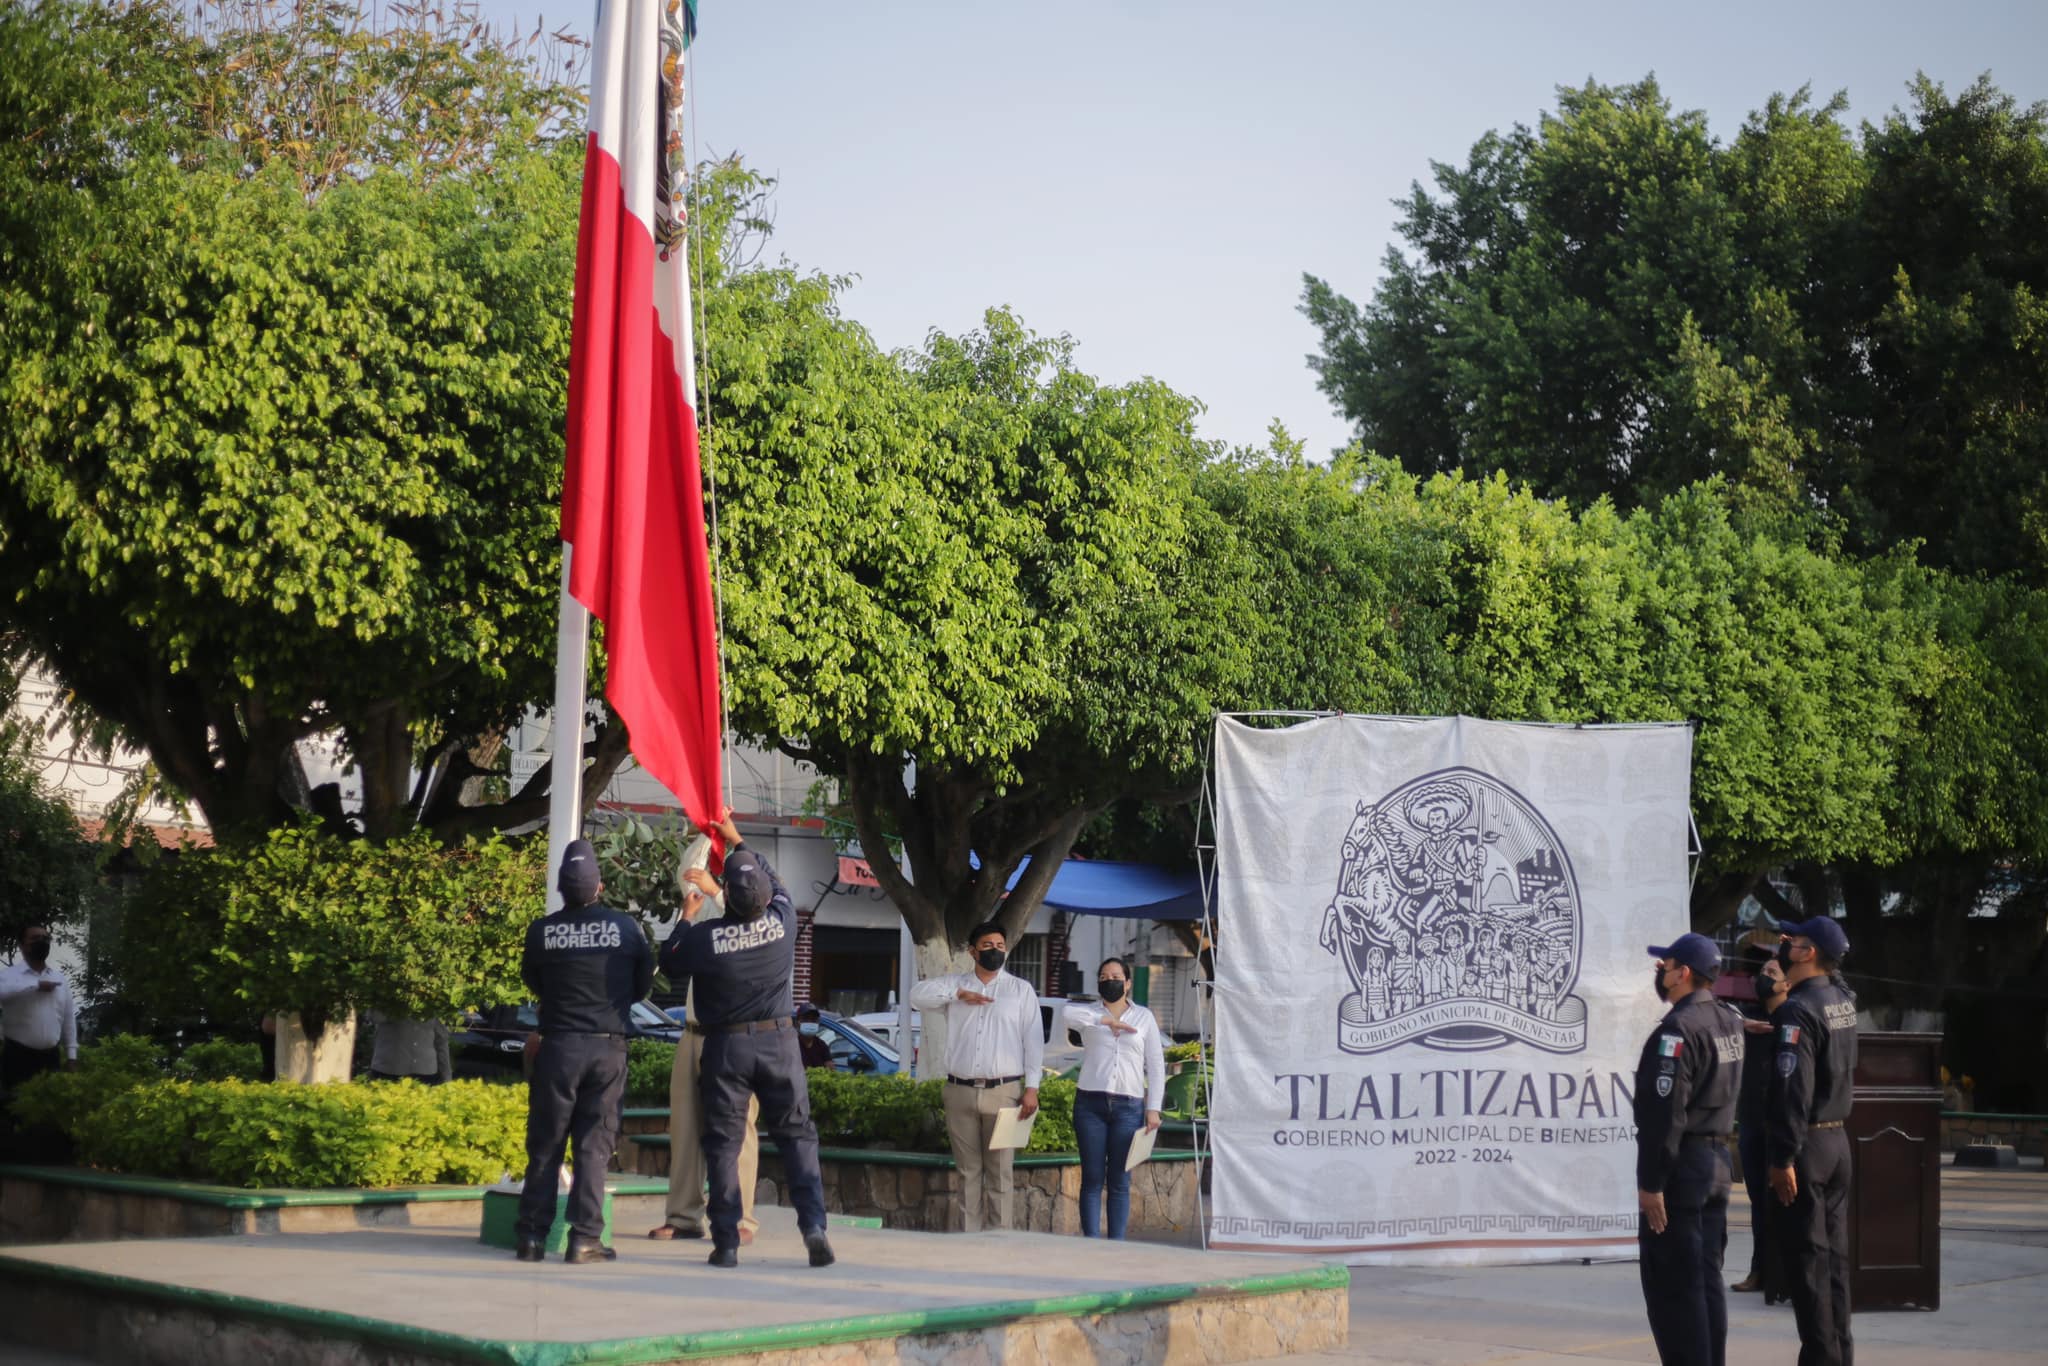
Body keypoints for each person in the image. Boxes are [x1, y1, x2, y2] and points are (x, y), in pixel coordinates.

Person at [660, 808, 834, 1269]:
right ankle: (814, 1227)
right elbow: (778, 885)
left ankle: (726, 1243)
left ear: (725, 898)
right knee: (797, 1137)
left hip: (728, 1048)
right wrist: (738, 840)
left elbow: (670, 959)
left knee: (723, 1144)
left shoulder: (709, 938)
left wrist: (686, 915)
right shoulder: (782, 922)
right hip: (779, 1044)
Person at [512, 839, 653, 1265]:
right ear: (600, 887)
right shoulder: (626, 929)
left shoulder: (541, 931)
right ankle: (585, 1238)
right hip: (607, 1049)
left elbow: (533, 981)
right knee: (593, 1146)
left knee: (545, 1145)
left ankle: (532, 1239)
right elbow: (642, 985)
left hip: (557, 1047)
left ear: (561, 888)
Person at [1634, 932, 1744, 1366]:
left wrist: (1651, 1183)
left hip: (1683, 1168)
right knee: (1705, 1281)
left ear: (1684, 973)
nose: (1658, 971)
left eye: (1666, 965)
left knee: (1675, 1290)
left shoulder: (1677, 1031)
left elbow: (1665, 1116)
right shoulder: (1729, 1019)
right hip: (1717, 1163)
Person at [648, 866, 761, 1249]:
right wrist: (688, 916)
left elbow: (746, 918)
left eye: (730, 886)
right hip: (693, 1034)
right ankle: (682, 1217)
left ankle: (741, 1218)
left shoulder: (766, 927)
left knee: (738, 1130)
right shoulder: (712, 929)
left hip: (735, 1040)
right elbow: (675, 958)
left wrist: (716, 894)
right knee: (684, 1129)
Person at [910, 920, 1045, 1232]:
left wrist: (1032, 1088)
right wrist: (958, 994)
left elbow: (1033, 1041)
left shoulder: (1020, 991)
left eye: (1000, 946)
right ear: (972, 951)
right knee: (968, 1171)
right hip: (960, 1091)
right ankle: (969, 1238)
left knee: (1000, 1171)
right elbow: (917, 996)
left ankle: (1000, 1238)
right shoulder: (955, 987)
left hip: (1005, 1091)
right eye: (987, 946)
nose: (995, 951)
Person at [1766, 917, 1859, 1366]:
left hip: (1807, 1147)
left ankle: (1821, 1359)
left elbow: (1792, 1089)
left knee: (1808, 1268)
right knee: (1835, 1265)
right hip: (1838, 1142)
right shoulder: (1841, 998)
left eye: (1791, 941)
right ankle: (1839, 1356)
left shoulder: (1797, 1010)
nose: (1784, 947)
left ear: (1808, 953)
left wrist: (1782, 1155)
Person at [1061, 957, 1165, 1239]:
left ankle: (1116, 1245)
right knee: (1092, 1178)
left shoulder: (1143, 1017)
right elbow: (1066, 1014)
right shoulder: (1088, 1014)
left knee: (1120, 1179)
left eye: (1117, 976)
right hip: (1090, 1104)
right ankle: (1091, 1244)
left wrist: (1153, 1108)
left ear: (1128, 983)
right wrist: (1103, 1020)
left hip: (1128, 1107)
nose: (1110, 981)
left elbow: (1155, 1064)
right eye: (1104, 976)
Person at [1732, 951, 1790, 1303]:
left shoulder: (1795, 1017)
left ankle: (1787, 1274)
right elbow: (1715, 1014)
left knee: (1784, 1202)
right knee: (1757, 1201)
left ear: (1787, 983)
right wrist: (1742, 1026)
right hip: (1752, 1122)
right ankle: (1760, 1271)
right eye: (1762, 971)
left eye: (1772, 971)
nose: (1764, 976)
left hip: (1783, 1125)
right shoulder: (1747, 1017)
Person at [0, 926, 76, 1092]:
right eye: (35, 939)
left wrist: (71, 1056)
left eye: (45, 939)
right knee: (17, 1112)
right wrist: (35, 986)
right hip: (18, 1058)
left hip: (51, 1059)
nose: (42, 942)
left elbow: (68, 1018)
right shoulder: (8, 976)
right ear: (22, 945)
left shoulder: (59, 978)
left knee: (50, 1113)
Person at [365, 1011, 452, 1085]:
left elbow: (441, 1041)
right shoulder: (389, 1000)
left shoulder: (433, 1006)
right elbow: (373, 1017)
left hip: (426, 1073)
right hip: (389, 1071)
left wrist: (446, 1076)